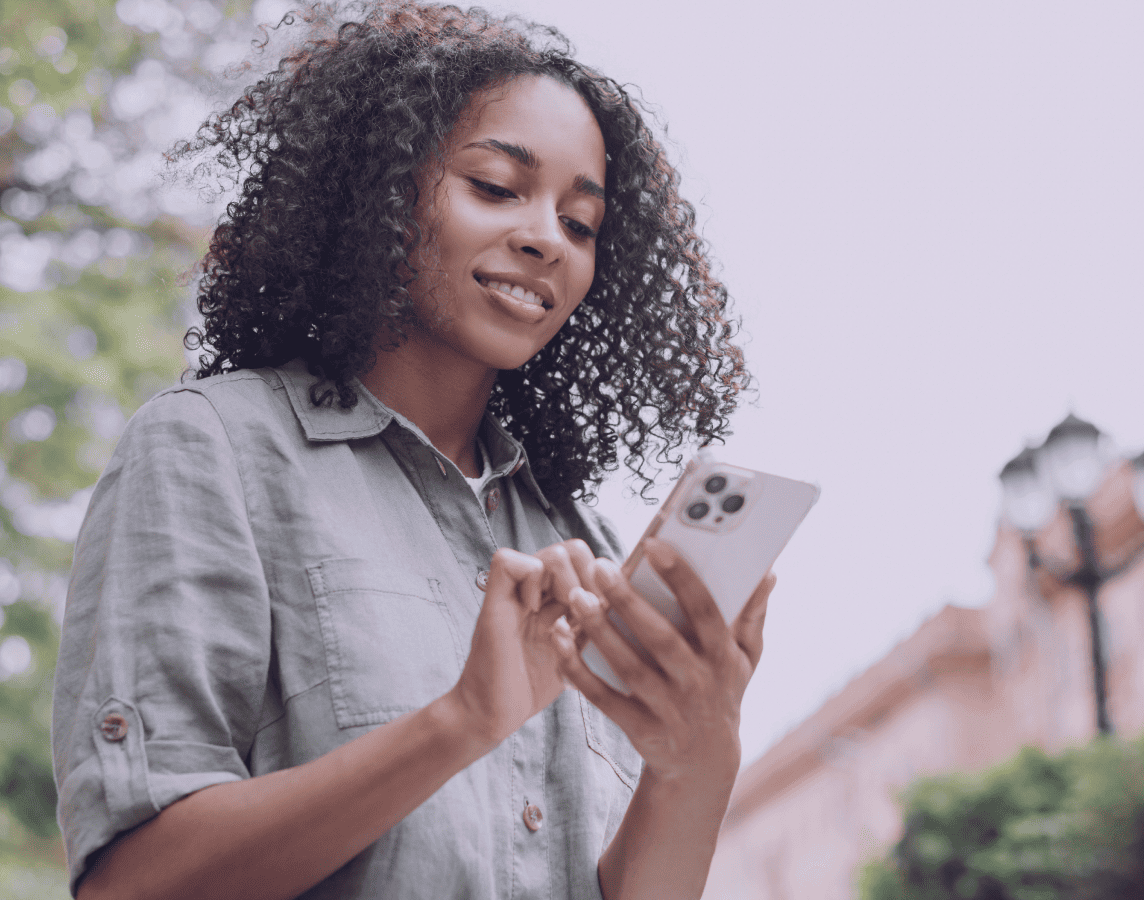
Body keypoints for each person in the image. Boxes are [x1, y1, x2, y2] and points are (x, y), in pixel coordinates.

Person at [49, 3, 769, 898]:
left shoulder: (588, 553)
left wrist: (694, 757)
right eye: (498, 187)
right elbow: (132, 883)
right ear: (379, 195)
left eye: (581, 224)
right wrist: (462, 721)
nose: (548, 237)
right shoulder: (215, 451)